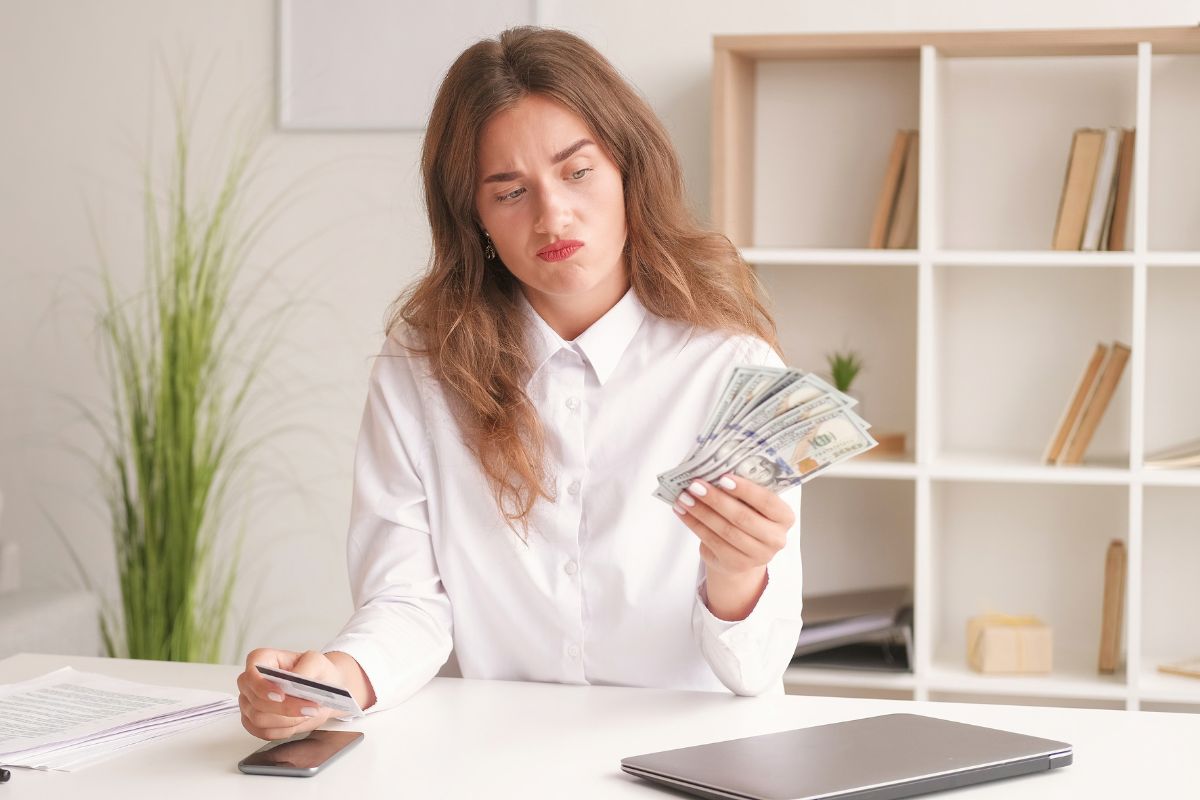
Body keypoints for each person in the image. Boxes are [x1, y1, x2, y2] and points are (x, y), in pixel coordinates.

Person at [236, 25, 804, 742]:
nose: (552, 216)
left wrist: (737, 574)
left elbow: (756, 670)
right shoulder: (421, 364)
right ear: (473, 217)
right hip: (497, 756)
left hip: (694, 758)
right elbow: (407, 601)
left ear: (631, 169)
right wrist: (334, 682)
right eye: (510, 191)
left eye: (578, 172)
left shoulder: (734, 368)